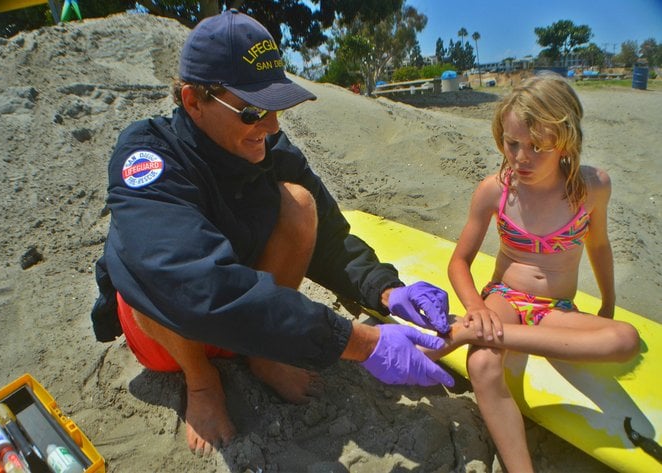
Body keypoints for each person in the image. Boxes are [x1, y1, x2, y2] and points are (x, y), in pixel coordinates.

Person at [90, 10, 454, 456]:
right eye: (252, 111)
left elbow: (332, 239)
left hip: (251, 319)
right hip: (170, 337)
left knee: (300, 205)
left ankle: (264, 355)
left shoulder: (269, 148)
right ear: (192, 100)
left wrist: (385, 291)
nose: (271, 126)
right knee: (144, 270)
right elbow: (197, 289)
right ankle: (202, 383)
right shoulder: (149, 159)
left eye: (276, 107)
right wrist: (361, 342)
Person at [431, 73, 640, 472]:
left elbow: (598, 245)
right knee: (481, 365)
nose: (521, 157)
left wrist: (609, 303)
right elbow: (460, 261)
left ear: (565, 142)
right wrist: (477, 308)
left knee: (625, 340)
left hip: (556, 308)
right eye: (512, 144)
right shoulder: (495, 190)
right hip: (504, 299)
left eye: (537, 147)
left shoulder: (591, 188)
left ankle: (473, 335)